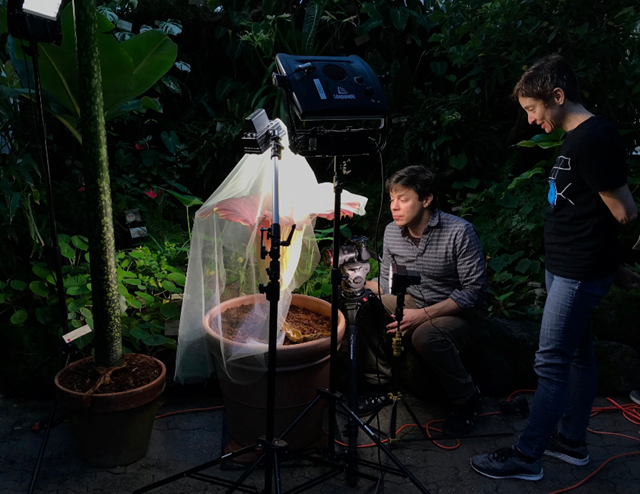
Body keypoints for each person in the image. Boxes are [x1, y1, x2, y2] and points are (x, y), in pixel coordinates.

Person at [471, 54, 639, 481]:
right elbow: (587, 210)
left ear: (558, 96)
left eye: (533, 109)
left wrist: (605, 265)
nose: (530, 120)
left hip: (578, 273)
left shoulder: (596, 138)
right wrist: (613, 264)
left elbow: (623, 213)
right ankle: (572, 441)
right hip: (569, 267)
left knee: (550, 362)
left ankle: (527, 456)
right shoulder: (576, 137)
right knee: (579, 356)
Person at [356, 165, 488, 436]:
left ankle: (467, 400)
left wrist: (423, 315)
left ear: (426, 199)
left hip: (457, 312)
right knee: (366, 305)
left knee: (426, 337)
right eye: (392, 199)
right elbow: (388, 285)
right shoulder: (393, 232)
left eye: (403, 199)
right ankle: (380, 385)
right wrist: (357, 283)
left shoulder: (459, 232)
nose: (394, 206)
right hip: (414, 299)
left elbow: (473, 292)